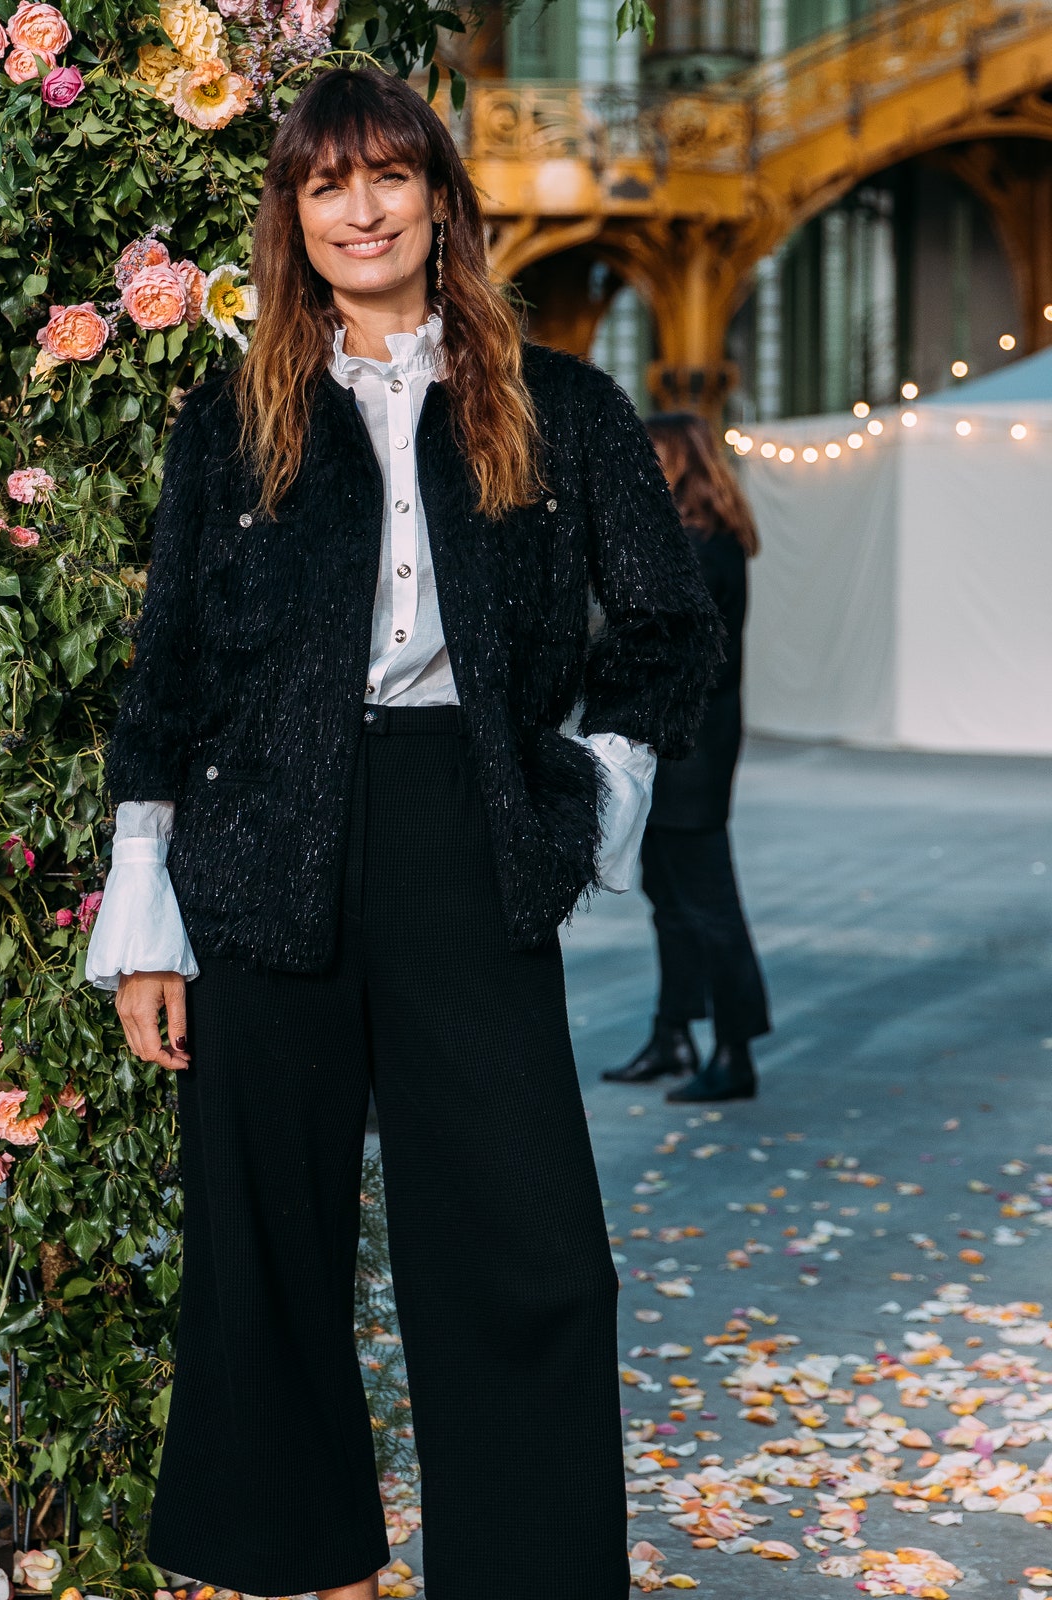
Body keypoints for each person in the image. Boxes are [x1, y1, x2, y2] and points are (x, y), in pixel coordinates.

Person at [84, 67, 723, 1600]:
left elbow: (665, 628)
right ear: (292, 220)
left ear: (441, 198)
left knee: (528, 1244)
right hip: (264, 851)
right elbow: (168, 669)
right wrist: (144, 917)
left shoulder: (563, 407)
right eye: (324, 185)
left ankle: (528, 1575)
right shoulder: (234, 420)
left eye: (386, 176)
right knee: (266, 1242)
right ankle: (290, 1568)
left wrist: (592, 792)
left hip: (467, 833)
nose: (358, 209)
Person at [603, 412, 771, 1103]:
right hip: (688, 741)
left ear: (679, 462)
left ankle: (735, 1050)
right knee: (670, 896)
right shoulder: (704, 540)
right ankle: (674, 1032)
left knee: (705, 903)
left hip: (690, 748)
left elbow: (667, 647)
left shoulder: (699, 547)